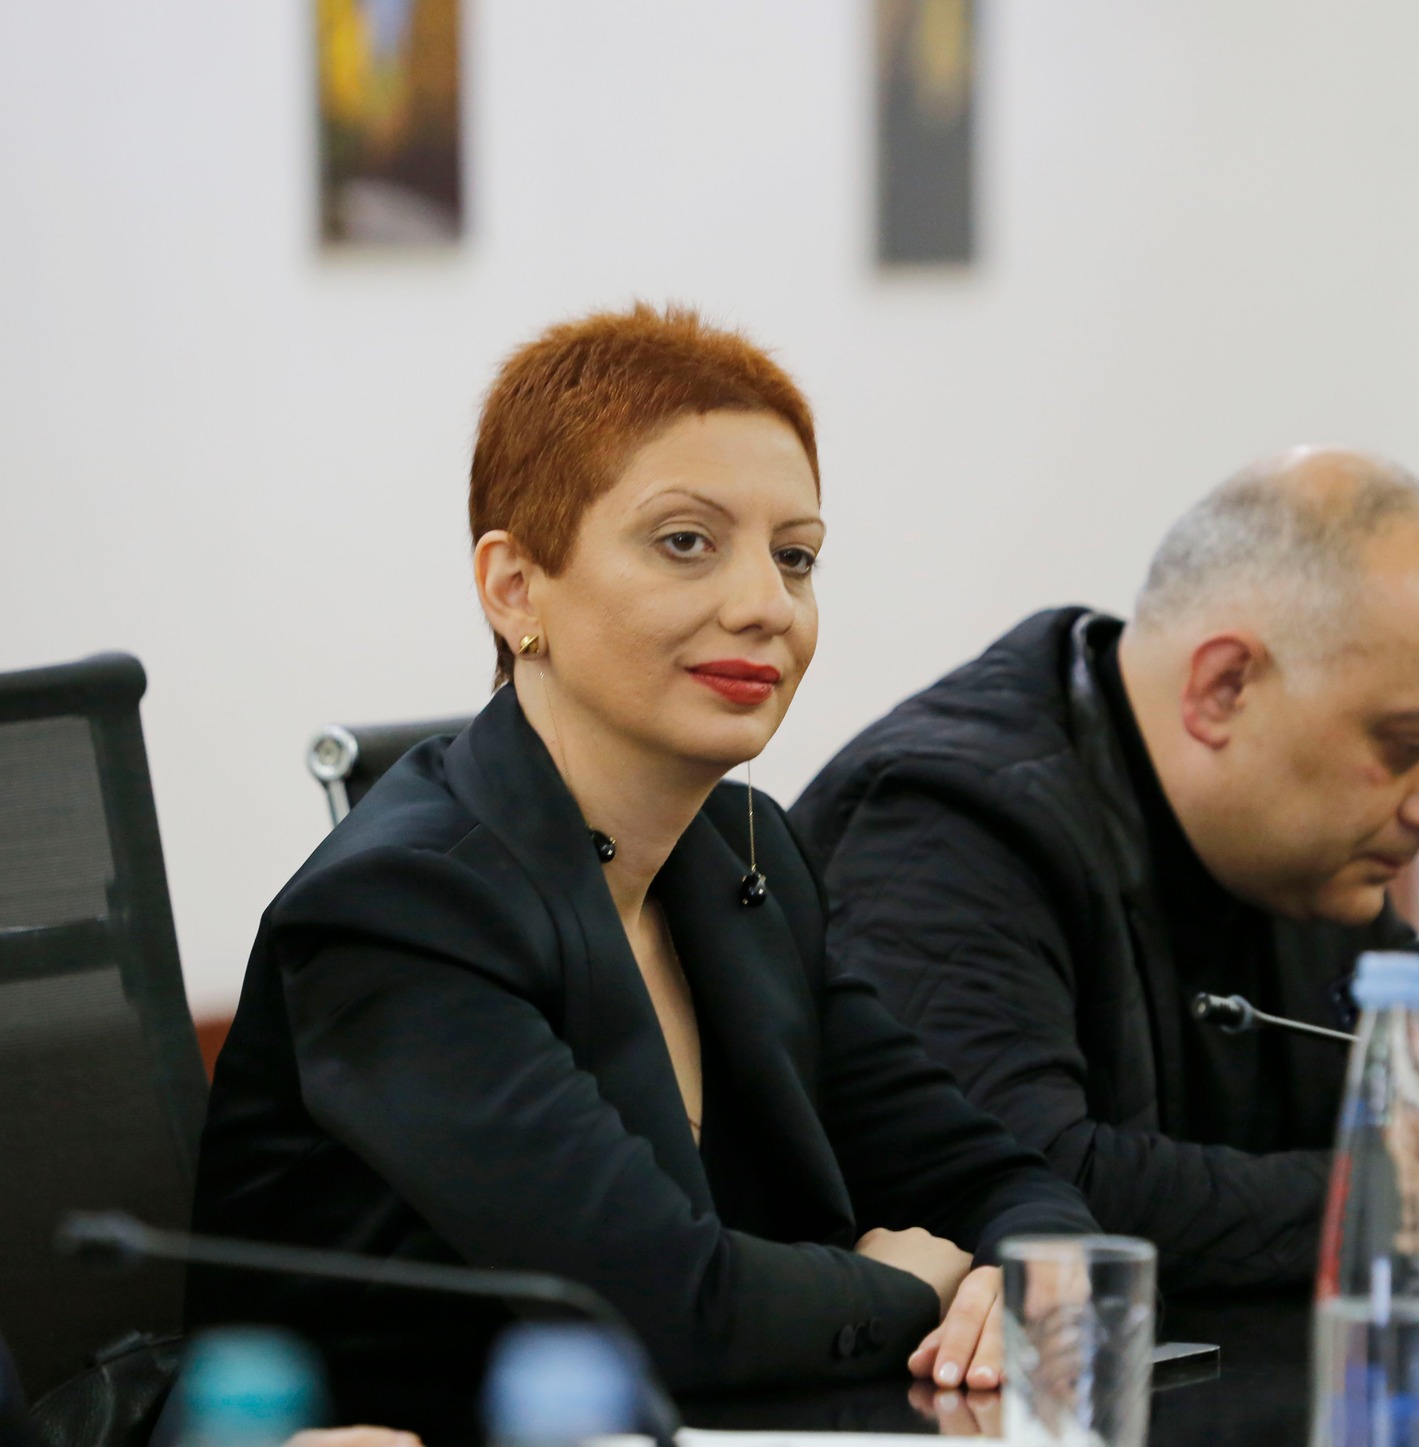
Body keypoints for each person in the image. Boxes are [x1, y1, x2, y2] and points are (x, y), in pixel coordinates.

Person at [189, 305, 1097, 1437]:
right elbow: (663, 1311)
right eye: (685, 542)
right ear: (515, 587)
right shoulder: (401, 907)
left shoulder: (744, 856)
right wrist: (908, 1287)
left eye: (795, 555)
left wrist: (1016, 1280)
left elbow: (994, 1175)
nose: (765, 604)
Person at [792, 448, 1419, 1292]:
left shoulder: (1302, 858)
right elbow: (1009, 1193)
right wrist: (1389, 1194)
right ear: (1224, 687)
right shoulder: (945, 821)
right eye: (1411, 744)